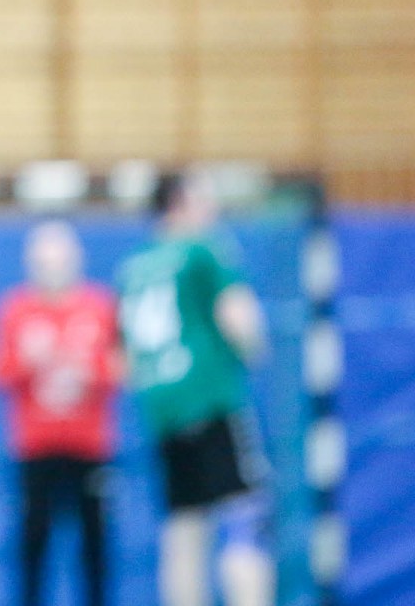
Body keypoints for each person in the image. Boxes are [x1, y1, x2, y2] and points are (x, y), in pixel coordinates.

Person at [117, 171, 274, 606]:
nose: (213, 207)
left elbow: (124, 362)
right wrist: (255, 350)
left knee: (184, 529)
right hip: (212, 400)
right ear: (180, 202)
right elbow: (237, 315)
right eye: (204, 197)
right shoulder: (204, 248)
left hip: (163, 410)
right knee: (245, 519)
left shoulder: (133, 269)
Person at [0, 221, 120, 606]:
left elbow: (123, 367)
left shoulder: (100, 305)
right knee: (33, 544)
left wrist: (85, 368)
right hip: (35, 448)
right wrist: (32, 362)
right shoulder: (15, 309)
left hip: (90, 447)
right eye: (45, 262)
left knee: (95, 546)